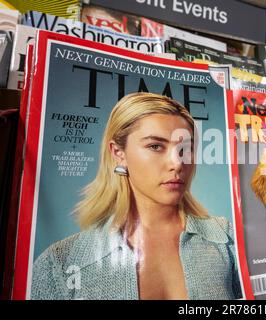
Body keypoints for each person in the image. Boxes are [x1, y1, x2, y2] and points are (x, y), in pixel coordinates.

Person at [31, 92, 242, 300]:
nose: (177, 163)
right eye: (155, 146)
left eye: (185, 149)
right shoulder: (59, 262)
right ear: (118, 153)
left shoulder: (228, 239)